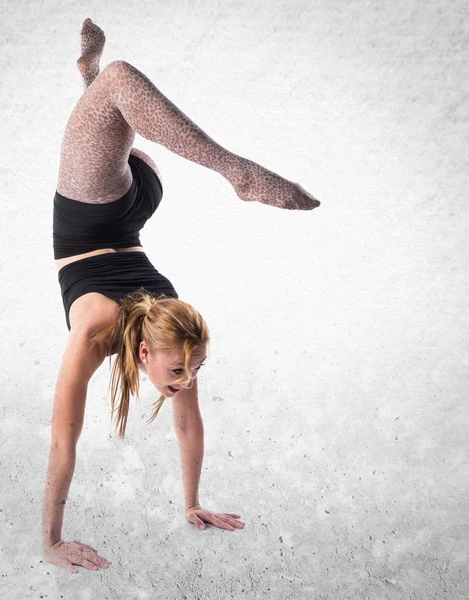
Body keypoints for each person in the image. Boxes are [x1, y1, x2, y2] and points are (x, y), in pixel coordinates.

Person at [42, 18, 320, 574]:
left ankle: (90, 85)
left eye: (190, 372)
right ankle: (234, 171)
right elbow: (68, 441)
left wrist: (192, 502)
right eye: (185, 374)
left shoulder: (139, 337)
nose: (187, 383)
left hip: (109, 196)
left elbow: (176, 425)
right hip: (123, 197)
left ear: (147, 352)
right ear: (150, 349)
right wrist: (50, 543)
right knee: (118, 86)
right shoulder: (143, 331)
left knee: (112, 100)